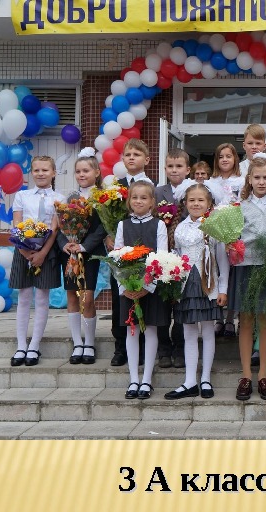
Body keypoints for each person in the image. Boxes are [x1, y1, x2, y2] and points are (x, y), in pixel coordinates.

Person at [164, 184, 229, 400]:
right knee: (189, 331)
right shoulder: (180, 228)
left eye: (201, 200)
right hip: (186, 285)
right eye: (192, 200)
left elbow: (222, 260)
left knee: (208, 331)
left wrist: (223, 289)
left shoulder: (214, 227)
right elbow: (176, 255)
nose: (196, 204)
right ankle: (190, 380)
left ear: (209, 203)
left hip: (207, 284)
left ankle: (206, 379)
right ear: (185, 203)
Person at [230, 155, 266, 400]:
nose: (261, 182)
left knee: (265, 320)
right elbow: (232, 236)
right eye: (257, 177)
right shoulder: (238, 206)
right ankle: (245, 375)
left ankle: (263, 375)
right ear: (249, 179)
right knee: (246, 320)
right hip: (245, 267)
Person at [9, 156, 66, 367]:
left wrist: (42, 253)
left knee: (42, 298)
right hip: (22, 250)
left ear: (53, 173)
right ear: (31, 173)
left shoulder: (59, 198)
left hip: (47, 252)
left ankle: (34, 345)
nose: (40, 174)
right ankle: (21, 345)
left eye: (45, 170)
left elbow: (55, 229)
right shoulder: (22, 196)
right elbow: (17, 225)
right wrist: (25, 252)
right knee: (24, 297)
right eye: (36, 170)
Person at [115, 180, 169, 400]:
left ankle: (146, 379)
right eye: (135, 197)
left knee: (151, 330)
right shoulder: (122, 225)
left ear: (152, 202)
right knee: (132, 330)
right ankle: (133, 379)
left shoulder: (159, 225)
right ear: (129, 201)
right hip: (129, 289)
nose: (139, 201)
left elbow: (161, 257)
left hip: (151, 288)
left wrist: (147, 287)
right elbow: (116, 257)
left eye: (144, 198)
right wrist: (125, 287)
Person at [56, 148, 107, 365]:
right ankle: (77, 343)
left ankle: (89, 343)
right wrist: (65, 244)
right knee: (71, 296)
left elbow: (103, 227)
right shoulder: (69, 198)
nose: (82, 174)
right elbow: (59, 226)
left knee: (87, 298)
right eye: (78, 171)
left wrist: (84, 246)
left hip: (89, 253)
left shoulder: (103, 198)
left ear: (97, 172)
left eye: (86, 170)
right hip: (70, 253)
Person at [108, 138, 151, 367]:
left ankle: (143, 346)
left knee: (145, 299)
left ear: (146, 159)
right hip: (120, 252)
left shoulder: (153, 186)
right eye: (128, 154)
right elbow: (106, 216)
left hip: (145, 252)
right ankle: (120, 347)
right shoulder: (114, 187)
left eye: (136, 154)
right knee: (120, 300)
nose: (131, 158)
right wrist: (108, 235)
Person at [154, 148, 193, 369]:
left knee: (180, 305)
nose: (174, 170)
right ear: (165, 168)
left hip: (184, 255)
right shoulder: (158, 192)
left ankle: (179, 348)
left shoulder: (193, 191)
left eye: (179, 166)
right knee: (161, 305)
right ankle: (164, 349)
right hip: (162, 255)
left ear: (188, 169)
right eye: (170, 166)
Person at [205, 143, 242, 337]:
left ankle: (230, 319)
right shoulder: (210, 182)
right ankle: (217, 318)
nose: (225, 159)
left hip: (234, 234)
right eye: (221, 156)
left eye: (229, 156)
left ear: (235, 158)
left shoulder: (242, 181)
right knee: (215, 272)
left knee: (233, 275)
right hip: (214, 233)